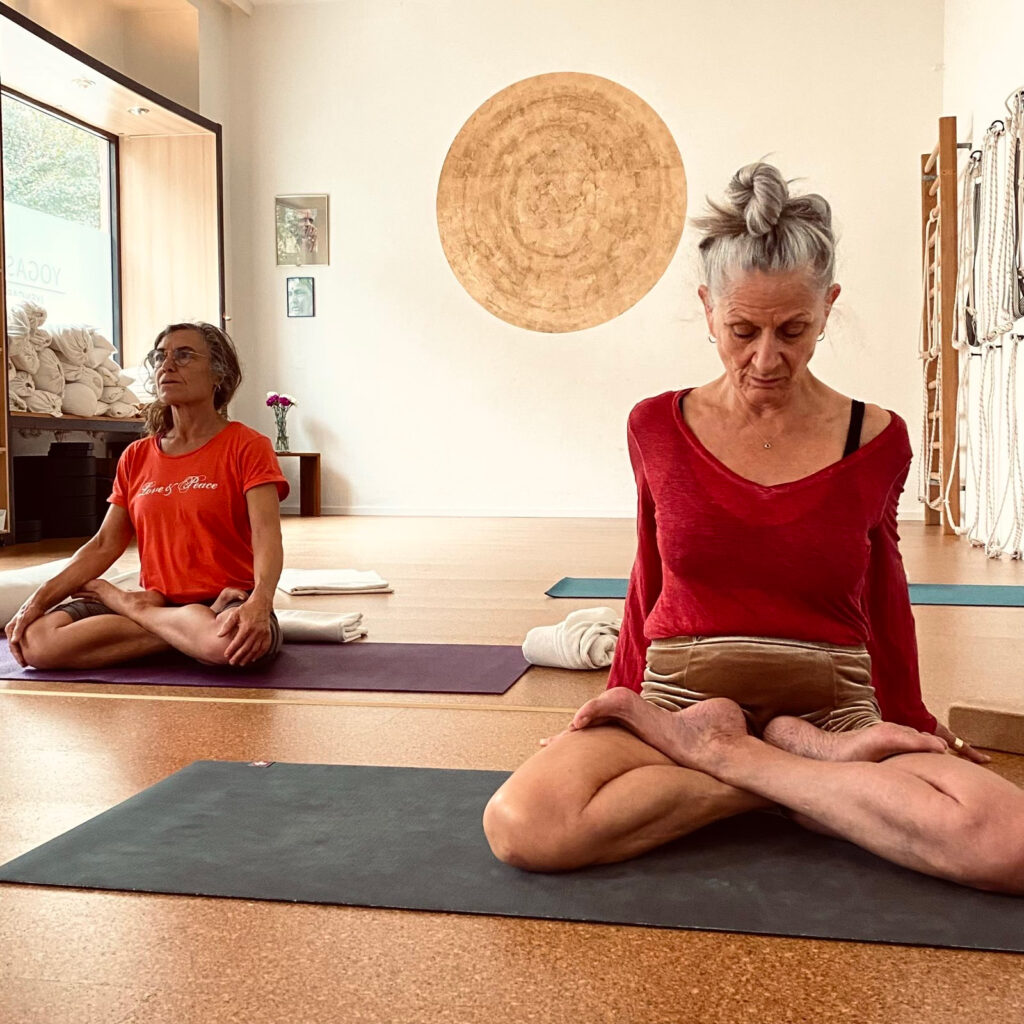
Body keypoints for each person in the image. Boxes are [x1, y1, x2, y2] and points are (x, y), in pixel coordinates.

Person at [483, 163, 1024, 894]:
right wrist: (622, 704)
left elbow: (885, 590)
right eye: (741, 330)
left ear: (828, 308)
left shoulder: (878, 437)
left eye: (793, 329)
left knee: (1007, 843)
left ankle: (747, 761)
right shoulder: (655, 424)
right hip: (680, 700)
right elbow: (648, 573)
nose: (766, 358)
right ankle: (810, 787)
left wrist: (910, 719)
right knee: (524, 822)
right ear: (707, 309)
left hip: (830, 706)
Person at [5, 322, 288, 670]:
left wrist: (260, 601)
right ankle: (182, 629)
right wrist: (36, 601)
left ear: (219, 374)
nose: (166, 365)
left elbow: (266, 536)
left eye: (184, 356)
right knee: (37, 643)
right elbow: (104, 544)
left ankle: (147, 614)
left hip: (228, 599)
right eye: (160, 357)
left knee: (229, 644)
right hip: (159, 600)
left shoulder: (248, 446)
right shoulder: (137, 455)